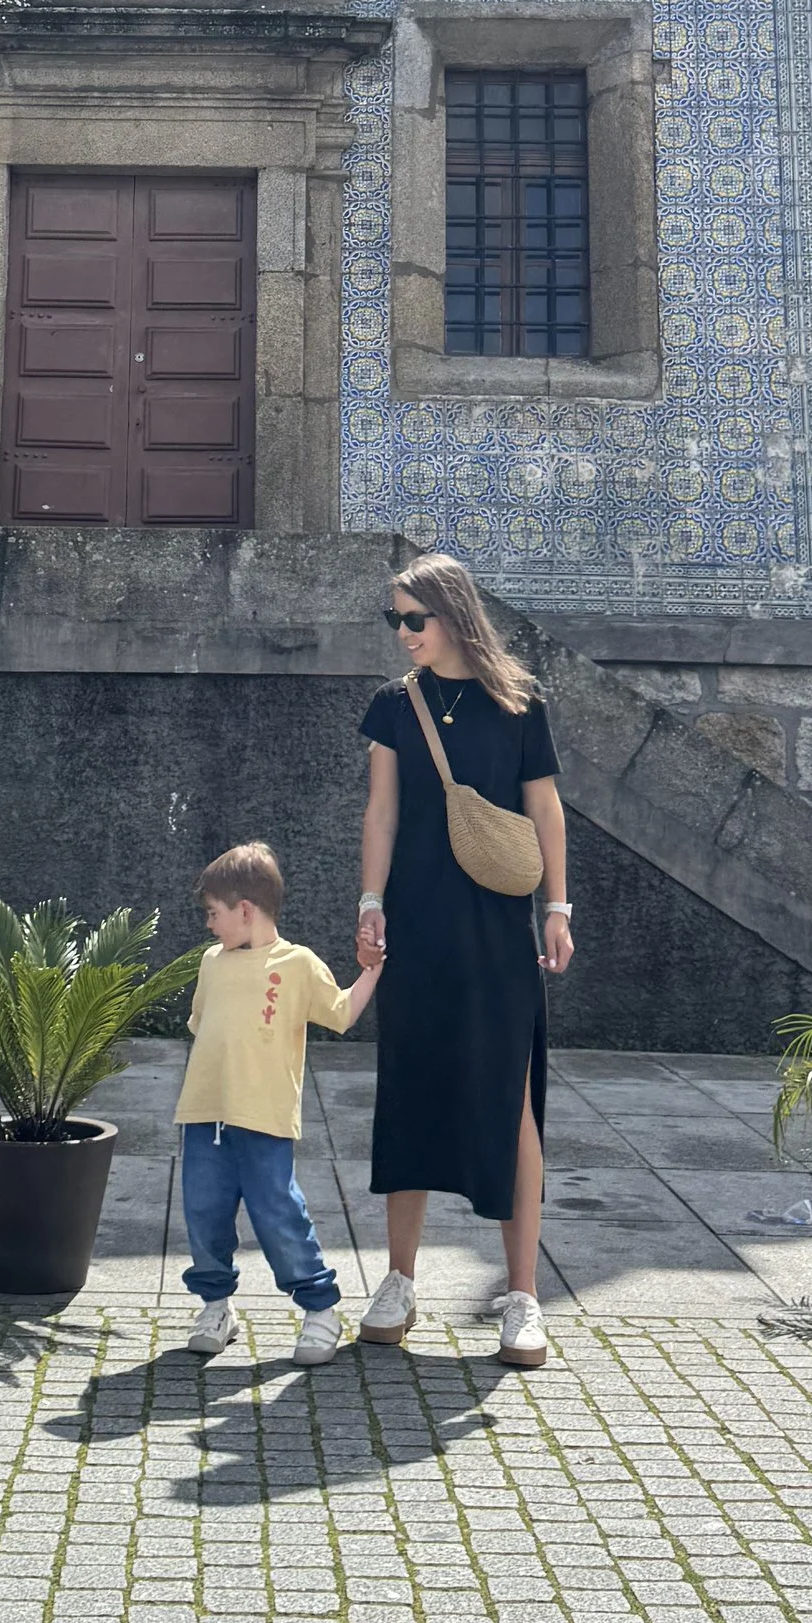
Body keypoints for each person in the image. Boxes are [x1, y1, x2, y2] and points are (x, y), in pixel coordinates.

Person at [354, 552, 571, 1370]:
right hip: (416, 924)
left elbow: (544, 807)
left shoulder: (519, 701)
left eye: (414, 618)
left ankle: (523, 1295)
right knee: (408, 1090)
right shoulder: (394, 705)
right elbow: (382, 811)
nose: (403, 632)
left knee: (511, 1100)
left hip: (496, 930)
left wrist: (558, 907)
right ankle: (399, 1281)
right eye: (395, 619)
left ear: (452, 614)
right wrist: (370, 901)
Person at [175, 841, 380, 1364]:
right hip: (204, 1116)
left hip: (264, 1120)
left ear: (245, 910)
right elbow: (205, 1027)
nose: (209, 925)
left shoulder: (298, 964)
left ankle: (320, 1310)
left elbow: (340, 1013)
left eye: (214, 914)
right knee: (203, 1212)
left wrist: (372, 971)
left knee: (279, 1214)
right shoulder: (211, 963)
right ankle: (216, 1308)